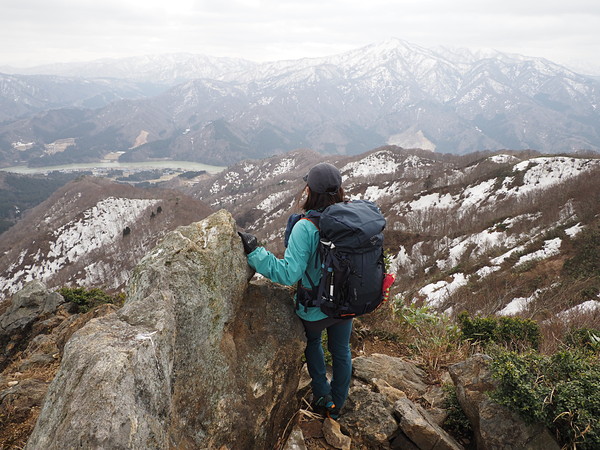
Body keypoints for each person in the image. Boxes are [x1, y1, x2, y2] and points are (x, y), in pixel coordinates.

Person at [238, 162, 351, 419]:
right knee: (341, 350)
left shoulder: (306, 226)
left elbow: (289, 274)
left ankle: (323, 397)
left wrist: (255, 252)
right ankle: (339, 402)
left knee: (313, 343)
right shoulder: (351, 216)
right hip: (346, 303)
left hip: (316, 309)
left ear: (310, 189)